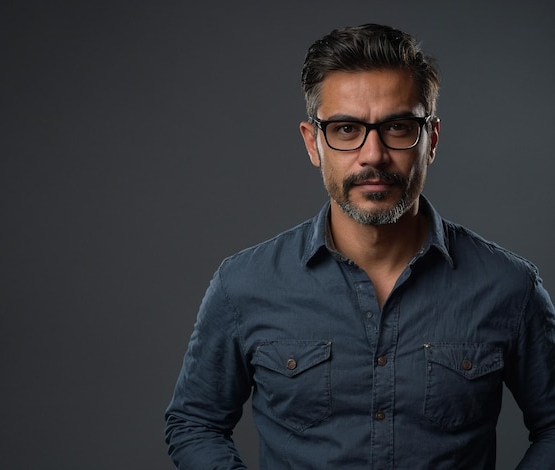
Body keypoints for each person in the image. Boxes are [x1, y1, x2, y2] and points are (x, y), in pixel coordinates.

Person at [164, 24, 555, 469]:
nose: (373, 155)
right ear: (314, 144)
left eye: (399, 126)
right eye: (347, 129)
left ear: (432, 141)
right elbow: (194, 423)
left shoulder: (509, 287)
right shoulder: (243, 284)